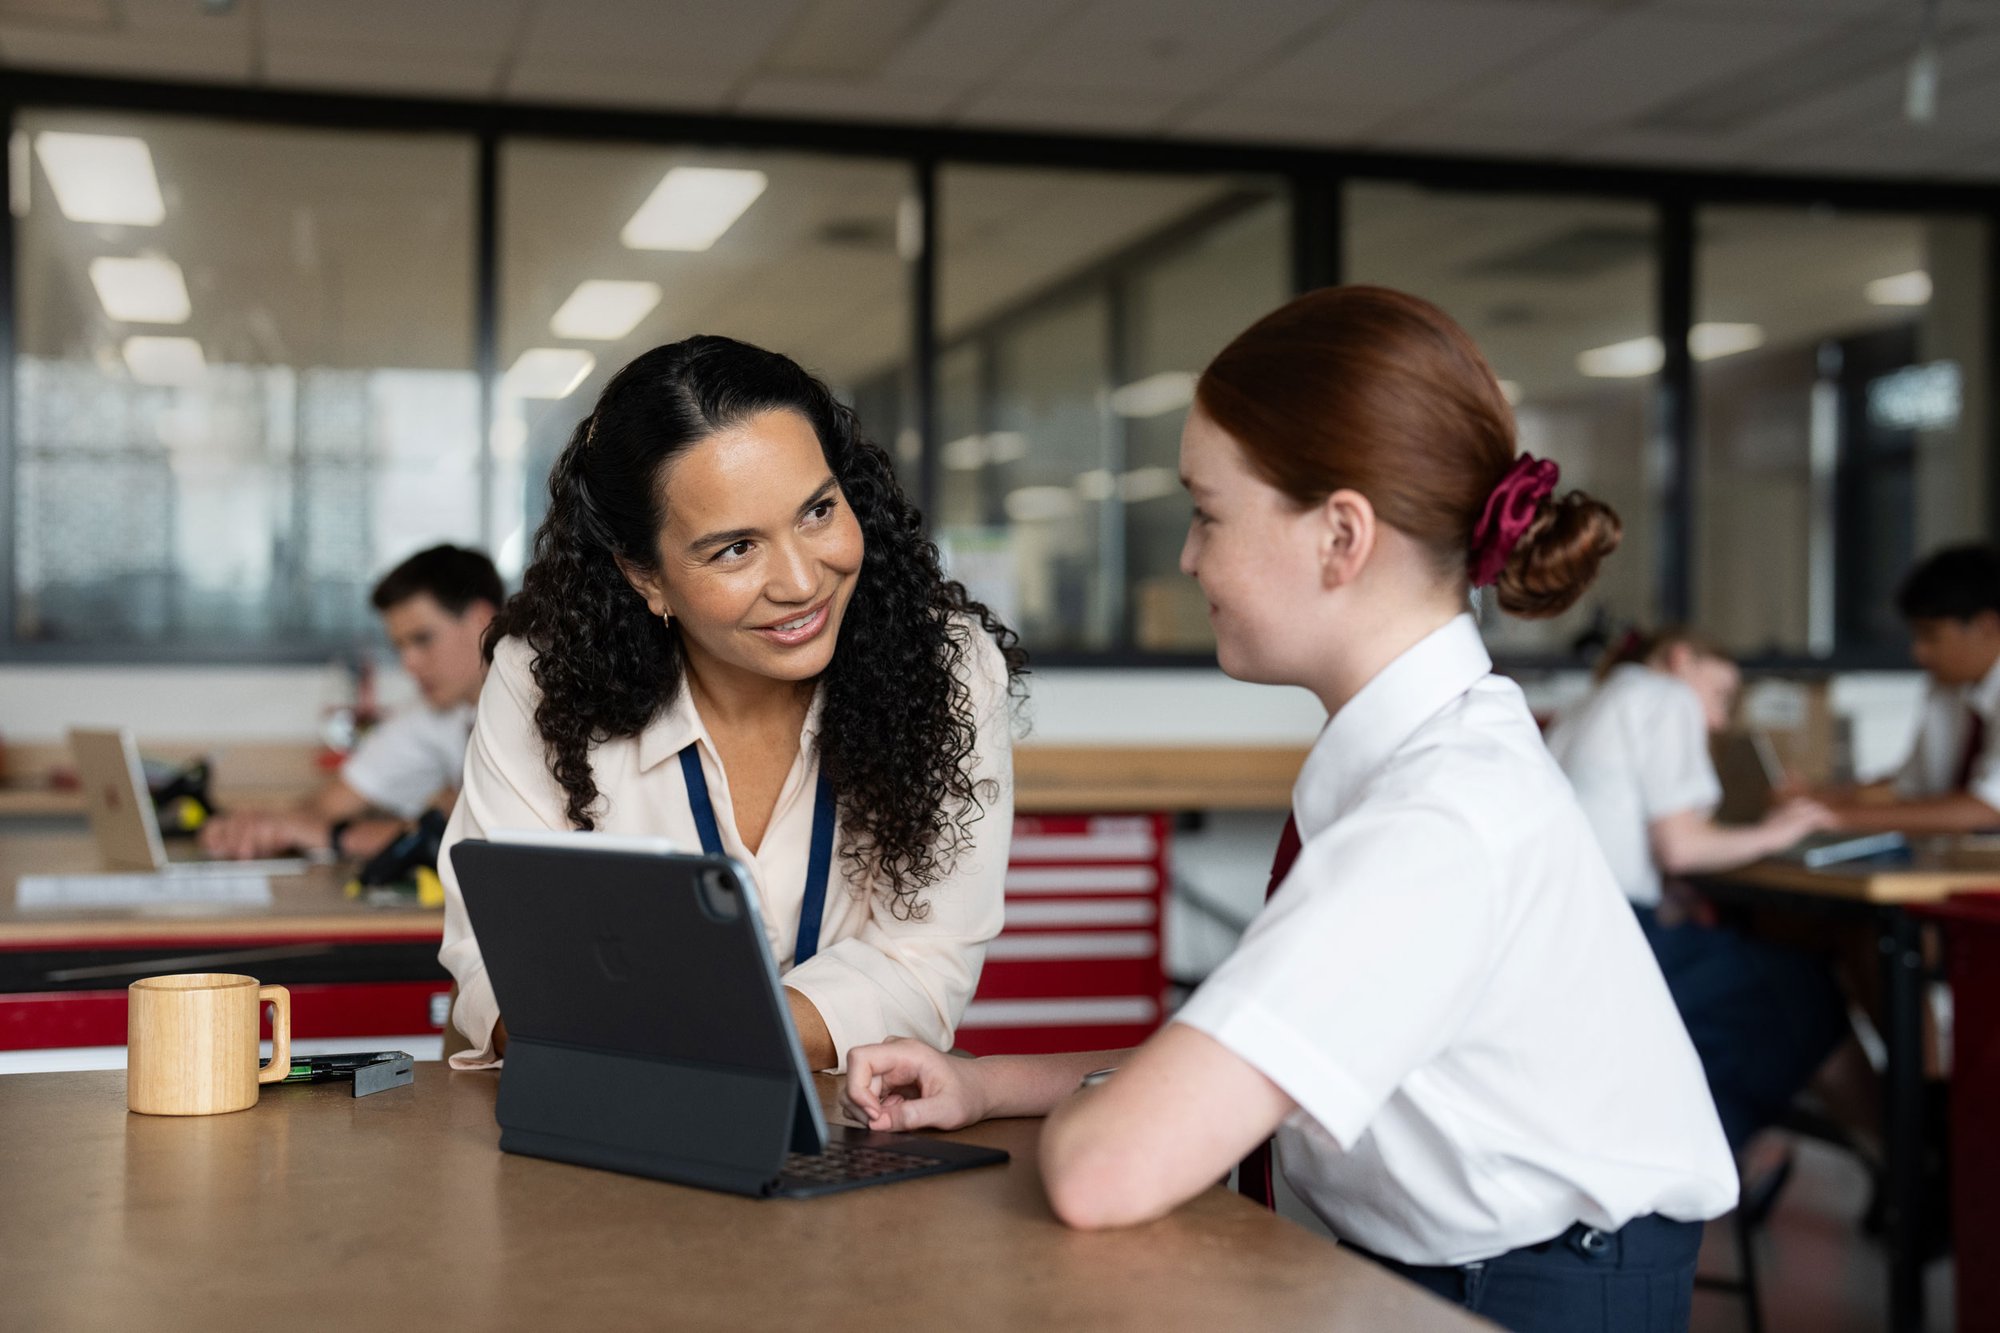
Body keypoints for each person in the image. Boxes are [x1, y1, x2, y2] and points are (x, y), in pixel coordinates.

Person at [842, 287, 1735, 1333]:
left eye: (1207, 513)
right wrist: (987, 1085)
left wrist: (1108, 1117)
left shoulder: (1436, 820)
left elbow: (1108, 1168)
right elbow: (1251, 1053)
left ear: (1338, 537)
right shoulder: (1414, 755)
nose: (1186, 557)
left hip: (1534, 1293)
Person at [437, 335, 1025, 1074]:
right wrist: (708, 1026)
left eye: (817, 512)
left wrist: (685, 1022)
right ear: (645, 576)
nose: (801, 580)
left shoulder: (950, 667)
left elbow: (925, 962)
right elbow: (503, 953)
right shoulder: (545, 677)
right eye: (735, 549)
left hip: (845, 1118)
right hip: (606, 1115)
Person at [1544, 630, 1853, 1154]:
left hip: (1563, 943)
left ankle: (1711, 1163)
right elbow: (1681, 848)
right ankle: (1902, 1172)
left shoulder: (1586, 704)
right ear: (1681, 658)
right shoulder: (1663, 697)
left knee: (1739, 989)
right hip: (1617, 943)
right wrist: (1780, 831)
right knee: (1804, 991)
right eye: (1720, 695)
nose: (1718, 720)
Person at [200, 544, 501, 862]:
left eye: (422, 639)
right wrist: (257, 828)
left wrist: (336, 837)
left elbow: (482, 838)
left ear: (481, 618)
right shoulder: (438, 711)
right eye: (400, 646)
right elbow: (324, 807)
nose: (408, 663)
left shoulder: (541, 709)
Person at [1813, 544, 2000, 834]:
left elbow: (1988, 810)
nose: (1919, 653)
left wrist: (1835, 817)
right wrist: (1818, 799)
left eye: (1930, 635)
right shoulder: (1951, 688)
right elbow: (1909, 788)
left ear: (1988, 626)